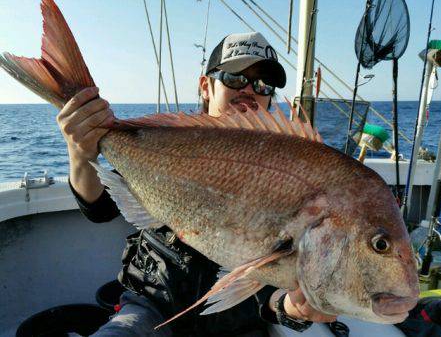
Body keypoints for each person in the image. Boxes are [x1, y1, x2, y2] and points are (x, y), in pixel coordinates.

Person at [57, 32, 336, 337]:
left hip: (237, 325)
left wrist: (290, 308)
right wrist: (80, 154)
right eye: (234, 77)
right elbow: (99, 208)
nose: (249, 90)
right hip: (151, 305)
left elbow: (269, 290)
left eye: (262, 84)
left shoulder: (291, 165)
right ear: (206, 86)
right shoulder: (174, 145)